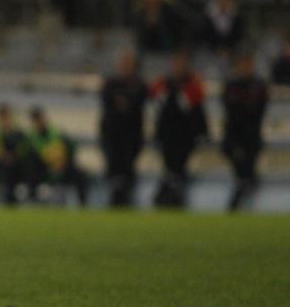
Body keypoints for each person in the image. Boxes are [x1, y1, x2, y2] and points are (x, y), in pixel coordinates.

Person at [151, 50, 208, 208]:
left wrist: (201, 133)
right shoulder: (165, 84)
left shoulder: (193, 85)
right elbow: (158, 103)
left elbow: (197, 111)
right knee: (171, 168)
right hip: (167, 134)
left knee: (177, 168)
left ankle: (172, 197)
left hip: (185, 136)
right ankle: (171, 197)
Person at [99, 49, 148, 207]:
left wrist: (123, 101)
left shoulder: (139, 84)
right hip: (112, 135)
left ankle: (127, 198)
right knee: (113, 167)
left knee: (128, 168)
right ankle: (115, 197)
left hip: (131, 135)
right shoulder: (110, 83)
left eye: (128, 64)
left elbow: (136, 101)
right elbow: (108, 100)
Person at [221, 52, 269, 211]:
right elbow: (230, 110)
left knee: (247, 163)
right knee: (239, 161)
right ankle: (245, 183)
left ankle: (243, 189)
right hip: (235, 134)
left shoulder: (258, 85)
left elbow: (258, 110)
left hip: (251, 134)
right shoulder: (232, 85)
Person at [24, 106, 88, 206]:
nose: (39, 122)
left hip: (63, 164)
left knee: (81, 175)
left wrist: (62, 162)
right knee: (31, 170)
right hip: (44, 167)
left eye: (39, 118)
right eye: (36, 120)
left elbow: (69, 149)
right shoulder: (32, 137)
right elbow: (33, 155)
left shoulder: (55, 132)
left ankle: (82, 204)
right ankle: (34, 201)